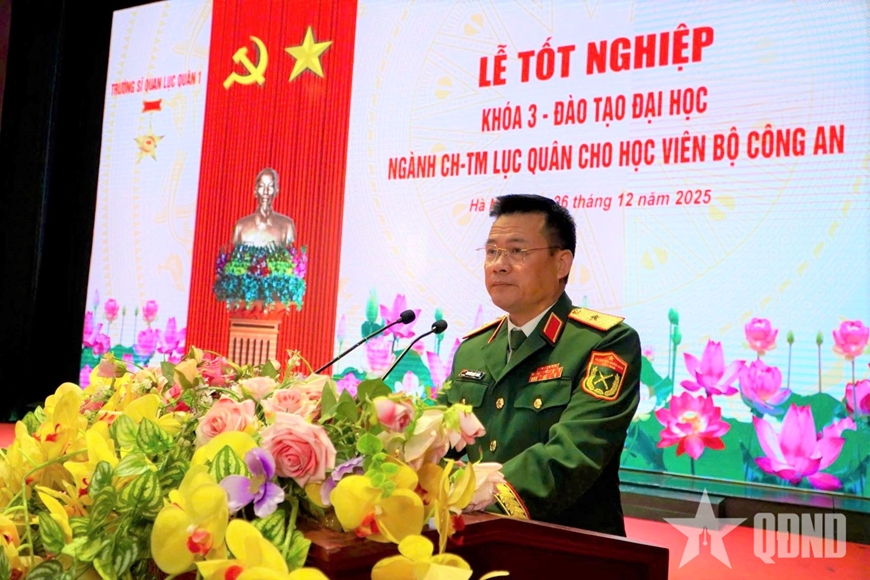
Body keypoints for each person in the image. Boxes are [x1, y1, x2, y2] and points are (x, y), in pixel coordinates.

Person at [439, 194, 641, 536]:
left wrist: (482, 491)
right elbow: (438, 440)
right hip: (477, 539)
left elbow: (574, 452)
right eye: (491, 251)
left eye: (517, 251)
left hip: (567, 547)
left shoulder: (604, 343)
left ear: (561, 264)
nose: (499, 265)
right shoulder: (473, 350)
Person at [232, 167, 296, 247]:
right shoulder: (240, 226)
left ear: (276, 191)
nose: (266, 191)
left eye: (270, 186)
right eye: (261, 186)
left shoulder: (287, 225)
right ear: (255, 191)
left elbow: (289, 252)